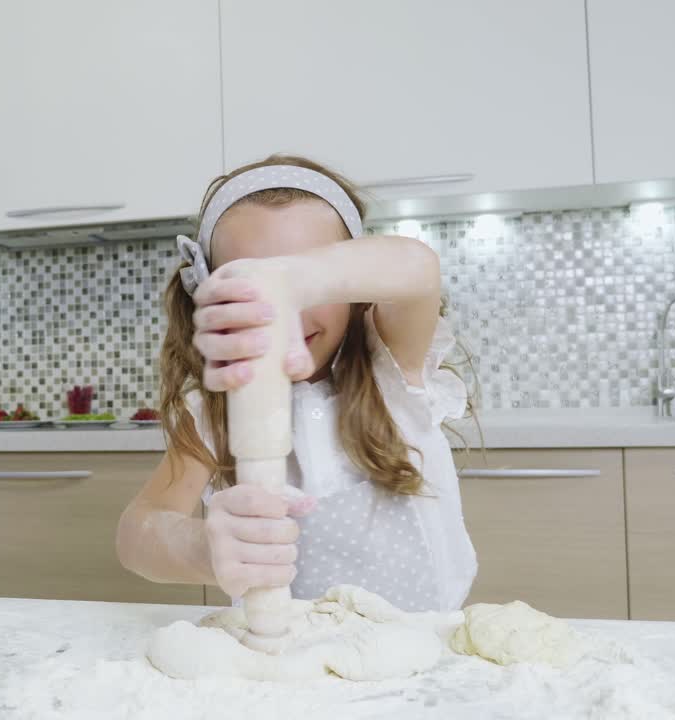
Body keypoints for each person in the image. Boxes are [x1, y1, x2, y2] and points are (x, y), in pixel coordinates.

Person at [116, 154, 476, 611]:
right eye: (251, 283)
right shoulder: (214, 412)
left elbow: (419, 269)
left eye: (309, 288)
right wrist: (200, 548)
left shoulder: (393, 369)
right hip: (285, 662)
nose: (287, 310)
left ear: (355, 288)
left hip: (423, 649)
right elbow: (135, 534)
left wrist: (294, 279)